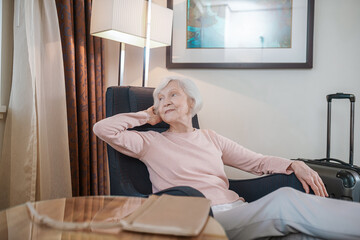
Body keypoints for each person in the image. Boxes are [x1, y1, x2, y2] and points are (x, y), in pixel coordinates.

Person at [93, 77, 360, 240]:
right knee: (284, 202)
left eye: (173, 94)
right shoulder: (149, 142)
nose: (165, 101)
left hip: (237, 211)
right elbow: (102, 129)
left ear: (192, 102)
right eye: (160, 99)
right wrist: (146, 115)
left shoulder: (210, 138)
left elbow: (255, 161)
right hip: (201, 220)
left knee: (301, 230)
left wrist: (294, 164)